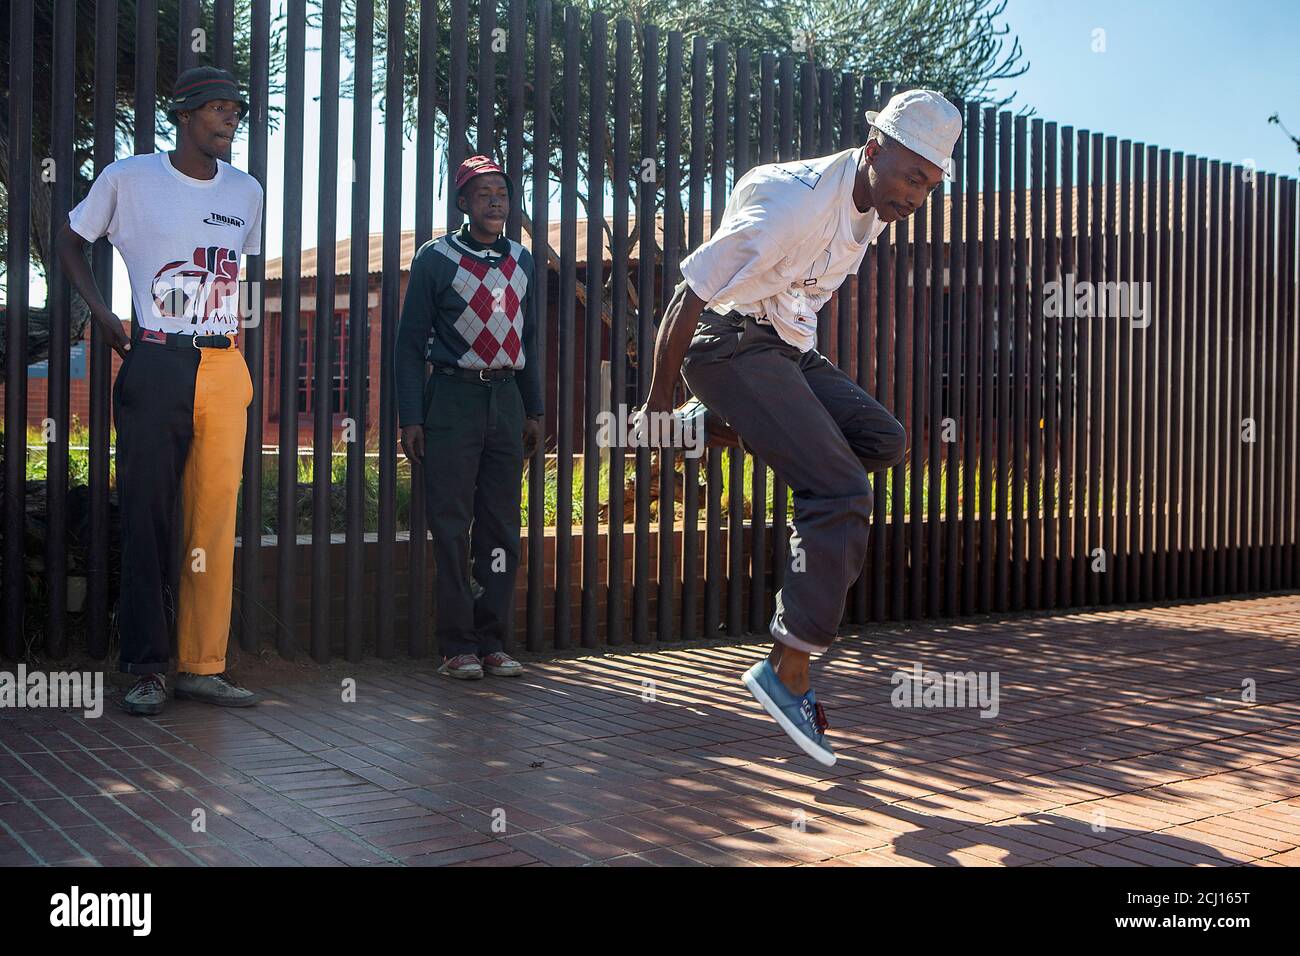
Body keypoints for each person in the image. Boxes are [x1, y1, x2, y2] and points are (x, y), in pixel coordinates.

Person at [639, 90, 962, 765]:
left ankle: (711, 428)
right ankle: (786, 670)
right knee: (841, 493)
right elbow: (689, 293)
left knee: (883, 442)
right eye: (911, 177)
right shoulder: (793, 203)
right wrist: (656, 404)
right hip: (725, 345)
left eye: (929, 186)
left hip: (783, 349)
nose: (916, 197)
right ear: (874, 149)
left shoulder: (871, 206)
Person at [55, 67, 265, 715]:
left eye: (236, 111)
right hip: (153, 361)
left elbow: (236, 276)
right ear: (185, 114)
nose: (231, 121)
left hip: (224, 370)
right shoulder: (129, 178)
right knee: (146, 517)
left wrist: (238, 349)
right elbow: (69, 240)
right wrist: (100, 311)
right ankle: (146, 667)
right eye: (219, 110)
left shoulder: (247, 191)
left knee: (212, 522)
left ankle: (203, 664)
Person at [395, 156, 545, 679]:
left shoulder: (522, 261)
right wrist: (411, 417)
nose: (494, 201)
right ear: (463, 203)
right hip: (453, 399)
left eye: (501, 192)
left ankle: (493, 642)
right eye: (482, 193)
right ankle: (457, 646)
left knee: (502, 528)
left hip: (505, 400)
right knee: (452, 524)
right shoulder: (435, 259)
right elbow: (409, 343)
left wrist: (535, 408)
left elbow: (527, 339)